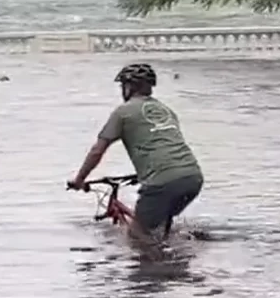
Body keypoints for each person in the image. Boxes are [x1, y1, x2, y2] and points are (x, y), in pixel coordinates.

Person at [68, 63, 203, 239]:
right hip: (192, 177)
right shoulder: (166, 110)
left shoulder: (123, 112)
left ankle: (154, 262)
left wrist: (79, 180)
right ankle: (172, 260)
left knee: (137, 235)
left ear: (129, 87)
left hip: (163, 181)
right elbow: (163, 145)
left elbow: (97, 150)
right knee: (159, 228)